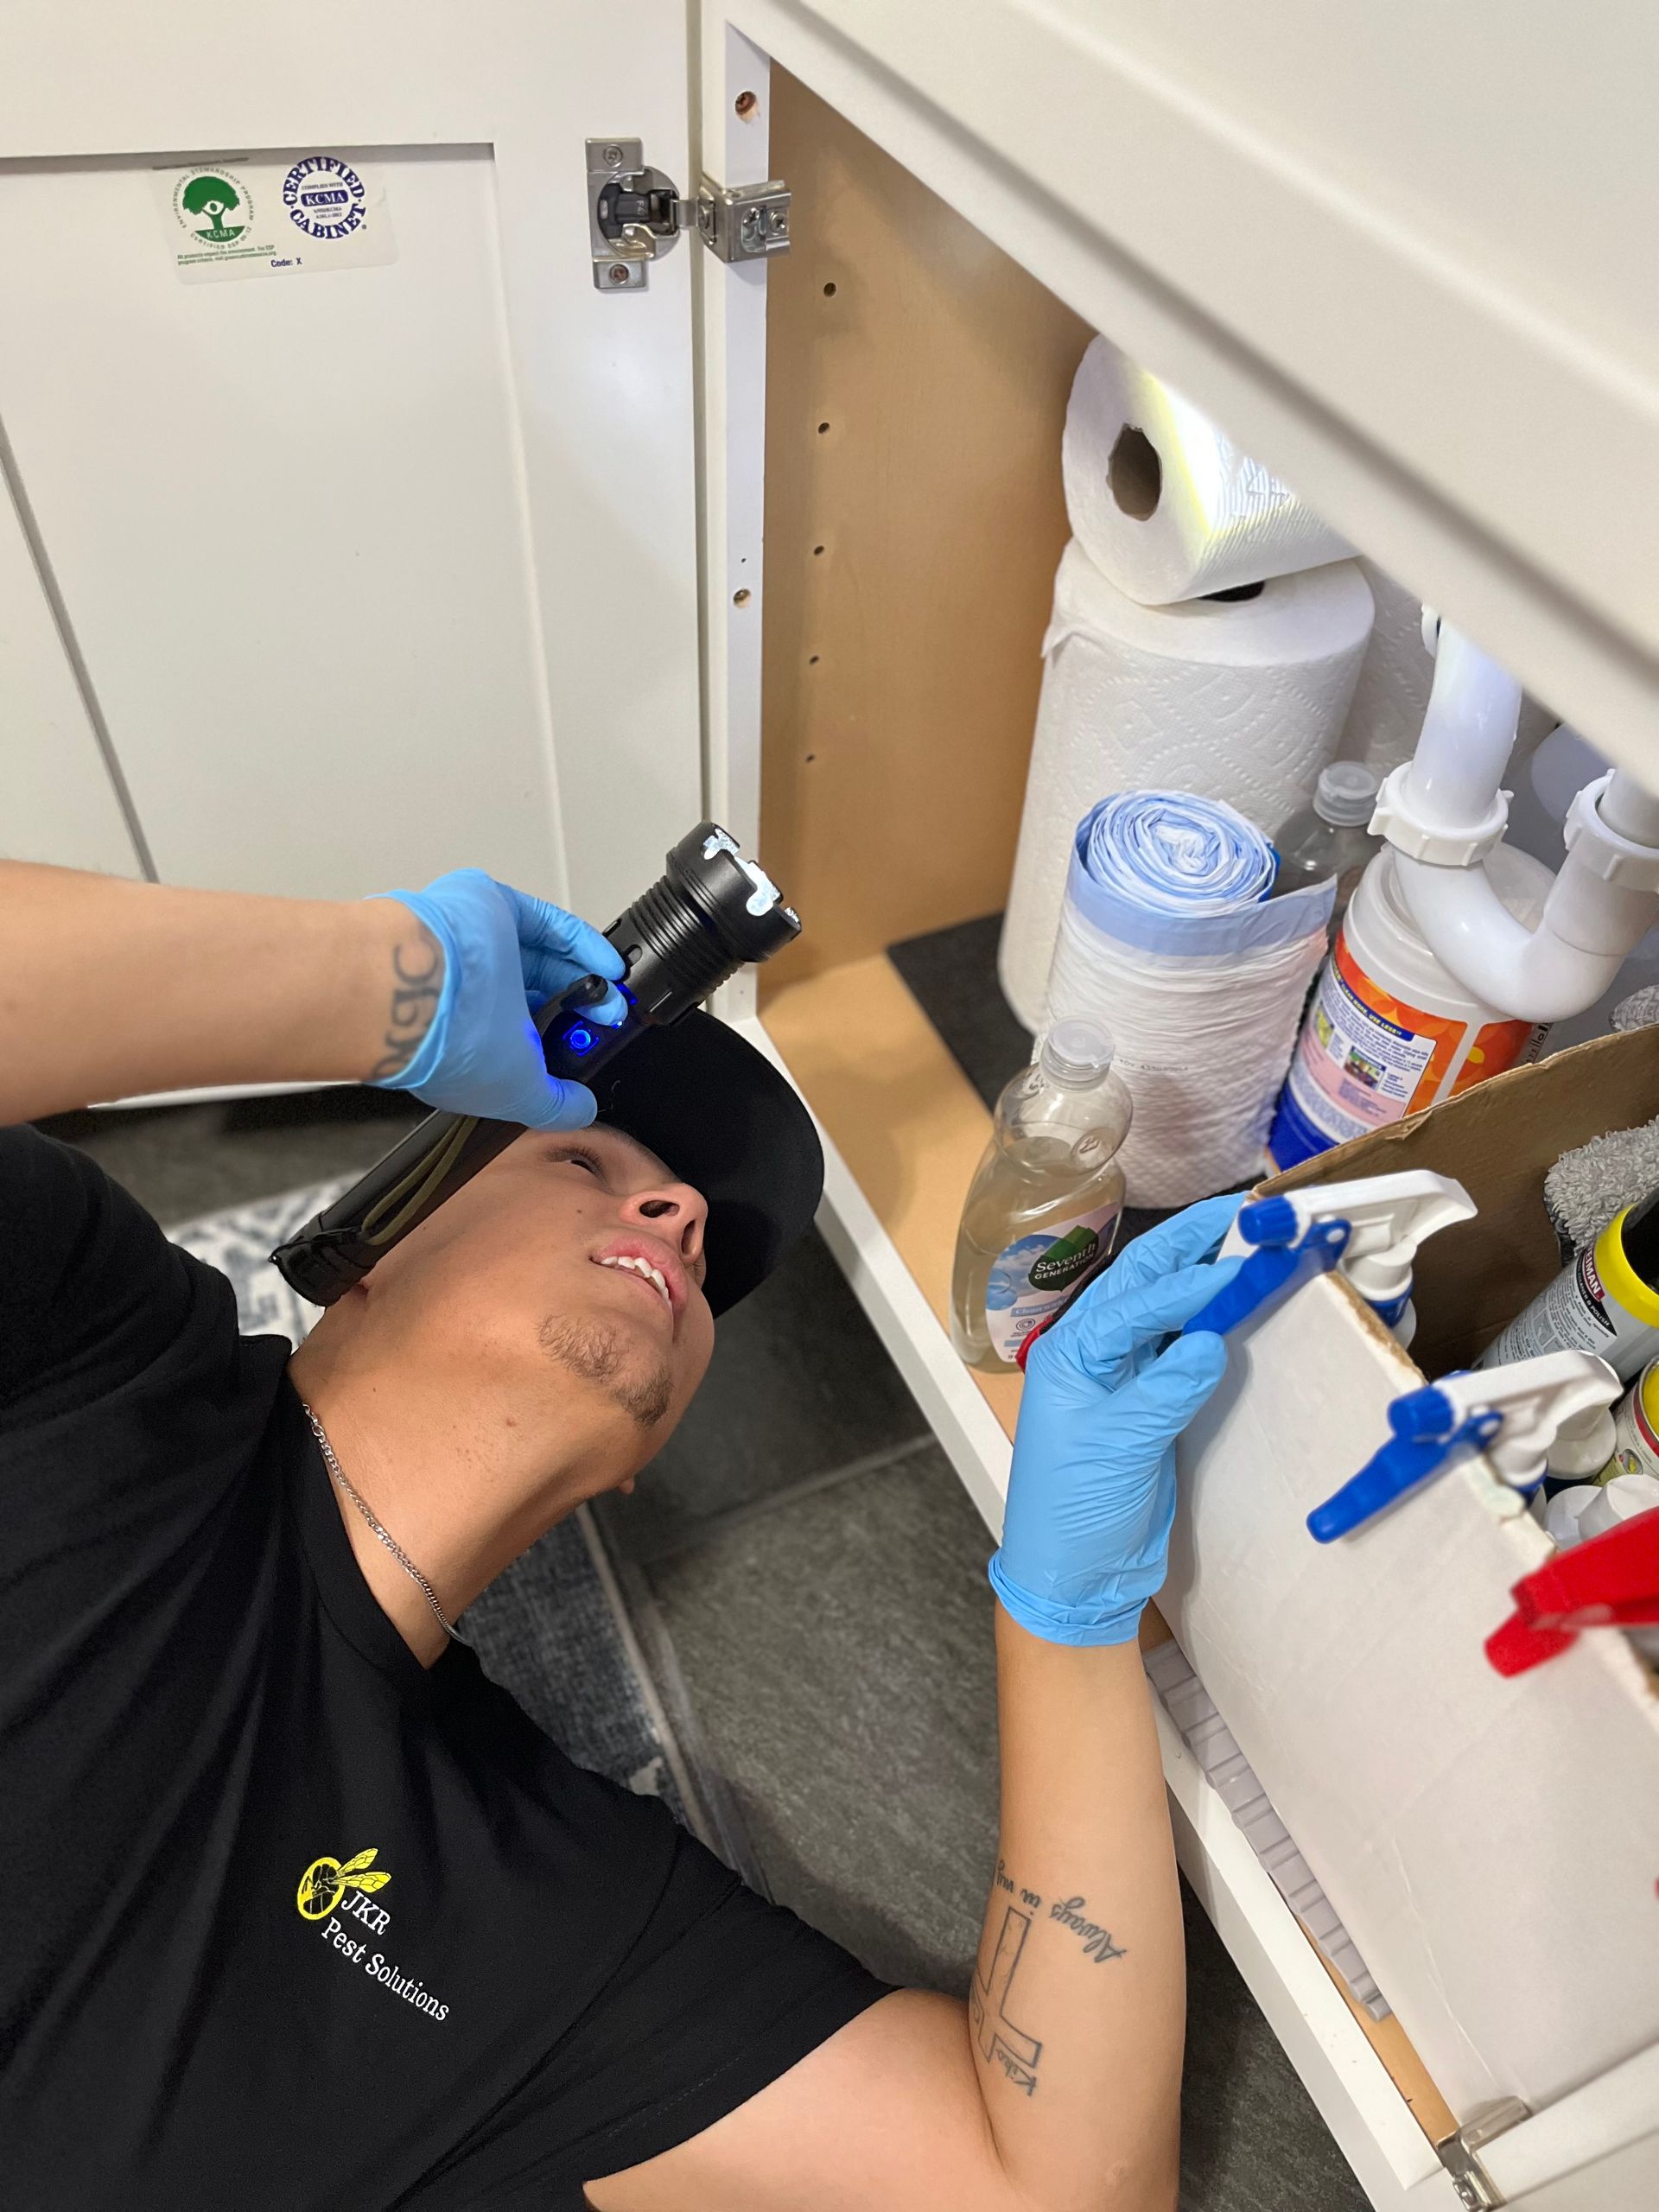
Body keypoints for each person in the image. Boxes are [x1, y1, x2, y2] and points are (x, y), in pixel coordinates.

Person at [0, 859, 1242, 2211]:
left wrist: (1067, 1608)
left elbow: (1059, 2194)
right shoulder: (98, 1359)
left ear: (637, 1468)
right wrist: (374, 984)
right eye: (584, 1159)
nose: (682, 1216)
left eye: (701, 1253)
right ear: (363, 1249)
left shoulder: (557, 1906)